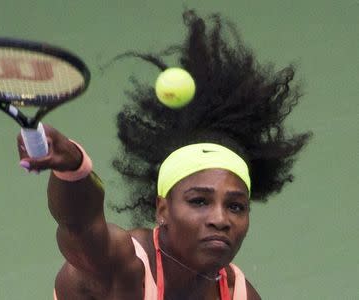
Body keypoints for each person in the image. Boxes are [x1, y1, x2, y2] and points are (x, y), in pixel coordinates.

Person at [17, 10, 312, 300]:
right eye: (199, 201)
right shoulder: (120, 266)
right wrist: (73, 169)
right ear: (162, 209)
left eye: (236, 207)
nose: (220, 219)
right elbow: (79, 227)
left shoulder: (238, 294)